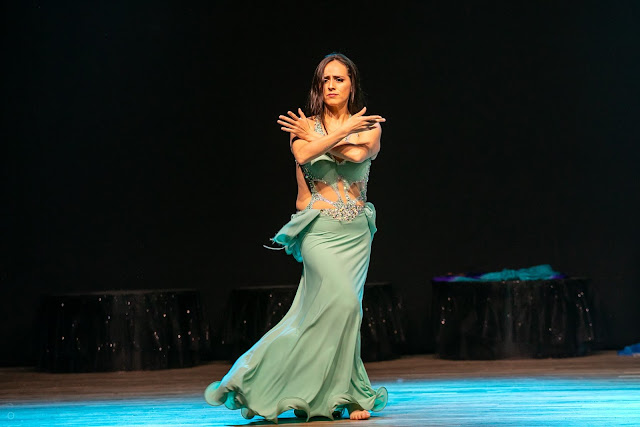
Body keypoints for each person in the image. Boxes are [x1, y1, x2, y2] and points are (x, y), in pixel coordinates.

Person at [204, 52, 387, 423]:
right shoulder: (304, 128)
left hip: (355, 235)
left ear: (352, 84)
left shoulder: (368, 126)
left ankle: (349, 394)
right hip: (318, 231)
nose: (332, 85)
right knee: (343, 304)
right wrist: (325, 134)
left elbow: (358, 154)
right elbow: (304, 153)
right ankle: (251, 376)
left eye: (339, 79)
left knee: (346, 311)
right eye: (325, 80)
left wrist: (323, 137)